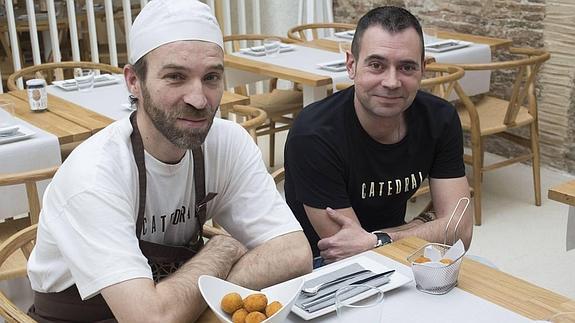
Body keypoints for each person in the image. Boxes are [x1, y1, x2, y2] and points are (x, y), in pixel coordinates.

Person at [26, 0, 312, 321]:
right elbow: (148, 319)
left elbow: (294, 253)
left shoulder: (227, 142)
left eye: (211, 77)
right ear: (134, 81)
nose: (199, 99)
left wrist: (198, 299)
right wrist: (223, 250)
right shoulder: (95, 174)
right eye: (175, 76)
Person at [284, 6, 472, 267]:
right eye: (376, 65)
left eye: (407, 67)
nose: (392, 82)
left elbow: (461, 230)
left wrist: (381, 239)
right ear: (351, 65)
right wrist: (425, 226)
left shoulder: (440, 118)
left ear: (423, 70)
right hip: (322, 265)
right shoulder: (314, 135)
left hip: (395, 249)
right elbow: (350, 252)